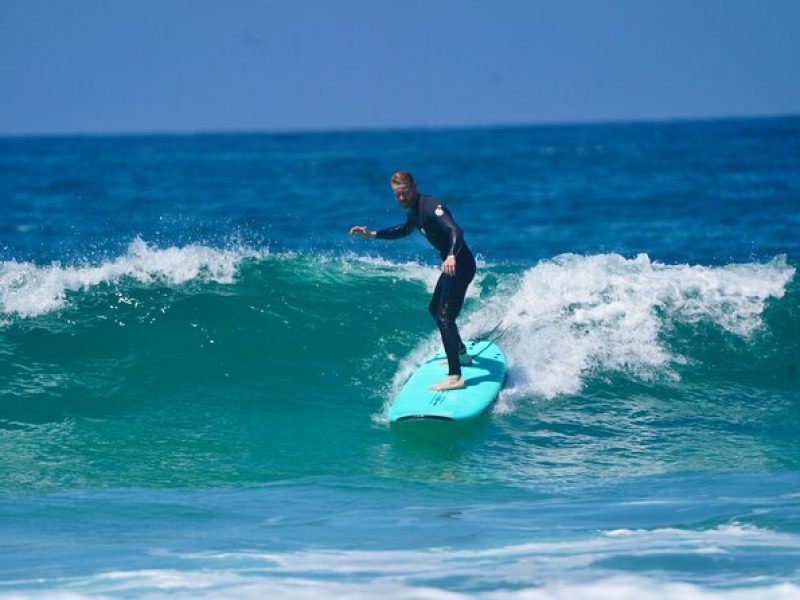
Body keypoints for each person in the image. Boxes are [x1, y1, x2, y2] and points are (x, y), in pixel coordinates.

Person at [349, 171, 476, 391]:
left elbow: (455, 230)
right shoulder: (414, 212)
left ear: (414, 186)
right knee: (435, 309)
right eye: (397, 195)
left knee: (445, 317)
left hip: (460, 265)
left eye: (404, 192)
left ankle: (455, 376)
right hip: (452, 266)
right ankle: (462, 354)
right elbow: (404, 230)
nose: (401, 198)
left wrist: (452, 255)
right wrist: (373, 234)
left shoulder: (431, 207)